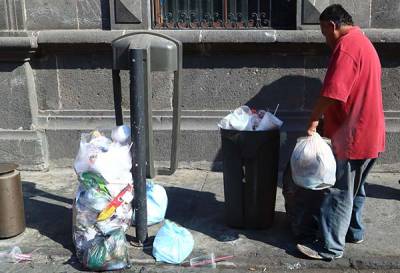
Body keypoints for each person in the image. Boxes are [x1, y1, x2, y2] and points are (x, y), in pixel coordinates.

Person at [296, 4, 386, 260]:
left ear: (332, 26)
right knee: (355, 188)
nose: (325, 39)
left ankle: (330, 247)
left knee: (338, 193)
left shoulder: (346, 48)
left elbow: (333, 92)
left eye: (324, 33)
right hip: (370, 133)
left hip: (353, 135)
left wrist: (314, 120)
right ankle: (354, 231)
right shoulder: (364, 43)